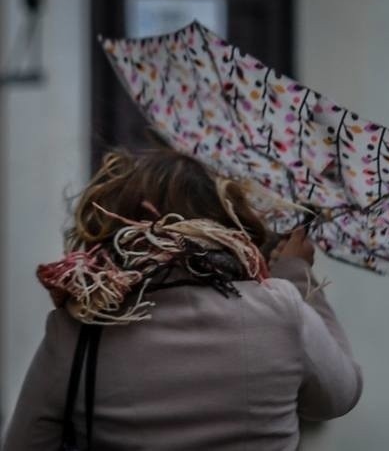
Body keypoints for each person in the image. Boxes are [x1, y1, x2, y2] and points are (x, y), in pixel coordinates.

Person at [2, 149, 362, 450]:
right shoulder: (281, 308)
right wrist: (297, 274)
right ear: (225, 222)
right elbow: (338, 395)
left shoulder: (78, 331)